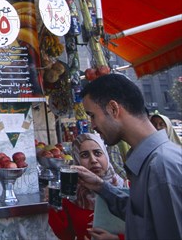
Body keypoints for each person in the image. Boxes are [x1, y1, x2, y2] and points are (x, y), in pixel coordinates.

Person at [74, 73, 182, 240]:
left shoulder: (162, 167)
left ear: (113, 109)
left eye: (93, 116)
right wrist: (101, 187)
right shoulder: (149, 162)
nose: (93, 126)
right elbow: (142, 216)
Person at [48, 133, 127, 240]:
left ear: (106, 156)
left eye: (98, 153)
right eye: (85, 155)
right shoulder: (71, 196)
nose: (93, 160)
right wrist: (54, 207)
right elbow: (65, 235)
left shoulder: (127, 188)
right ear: (76, 160)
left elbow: (148, 230)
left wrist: (117, 238)